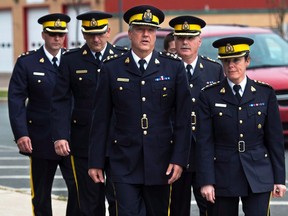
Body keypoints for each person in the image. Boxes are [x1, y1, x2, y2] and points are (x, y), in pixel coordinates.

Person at [88, 5, 192, 216]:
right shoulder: (112, 68)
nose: (146, 34)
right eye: (140, 29)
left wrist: (179, 158)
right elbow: (101, 118)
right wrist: (95, 162)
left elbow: (183, 119)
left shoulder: (173, 67)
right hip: (124, 160)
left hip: (161, 161)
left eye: (151, 30)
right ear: (130, 33)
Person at [197, 36, 287, 215]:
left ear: (247, 61)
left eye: (236, 60)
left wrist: (279, 179)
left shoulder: (264, 93)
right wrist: (206, 181)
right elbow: (204, 142)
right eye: (226, 61)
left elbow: (275, 140)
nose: (231, 65)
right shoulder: (209, 95)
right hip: (223, 173)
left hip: (258, 171)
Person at [51, 11, 127, 216]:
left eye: (100, 33)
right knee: (88, 202)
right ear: (83, 35)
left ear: (108, 32)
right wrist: (60, 135)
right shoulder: (71, 60)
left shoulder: (122, 57)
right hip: (83, 142)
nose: (96, 38)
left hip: (117, 143)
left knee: (118, 200)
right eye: (90, 33)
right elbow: (60, 100)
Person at [8, 13, 80, 216]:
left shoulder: (73, 61)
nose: (57, 38)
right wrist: (21, 133)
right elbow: (16, 101)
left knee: (78, 189)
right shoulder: (27, 62)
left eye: (61, 34)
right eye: (52, 34)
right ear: (43, 35)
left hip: (71, 138)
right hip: (40, 139)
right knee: (40, 194)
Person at [168, 15, 224, 216]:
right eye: (180, 37)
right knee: (175, 209)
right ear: (174, 40)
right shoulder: (163, 67)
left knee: (210, 208)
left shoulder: (214, 69)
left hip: (204, 152)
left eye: (190, 38)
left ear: (199, 41)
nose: (185, 42)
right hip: (173, 152)